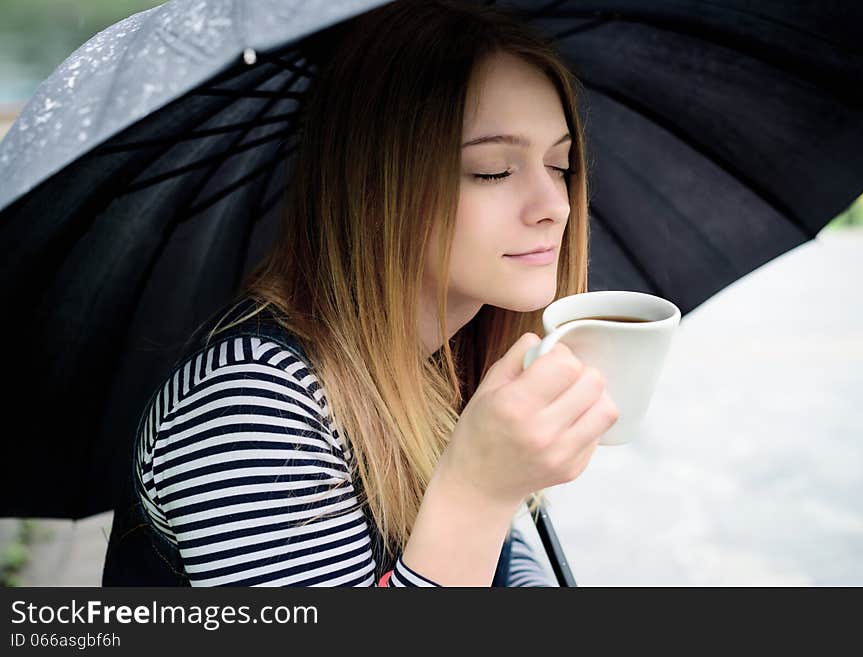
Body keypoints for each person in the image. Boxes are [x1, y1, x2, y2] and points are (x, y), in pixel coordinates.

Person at [102, 0, 619, 587]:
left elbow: (505, 565)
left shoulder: (448, 364)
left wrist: (502, 493)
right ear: (377, 188)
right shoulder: (251, 407)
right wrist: (478, 490)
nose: (554, 207)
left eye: (560, 165)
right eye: (493, 170)